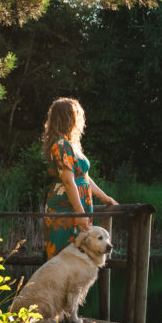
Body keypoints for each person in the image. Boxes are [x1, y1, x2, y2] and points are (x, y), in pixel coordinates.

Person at [41, 97, 117, 259]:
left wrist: (105, 197)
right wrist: (79, 213)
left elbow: (84, 177)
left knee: (82, 258)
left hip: (78, 205)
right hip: (67, 207)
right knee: (64, 257)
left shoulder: (70, 145)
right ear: (70, 118)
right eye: (77, 116)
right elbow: (68, 181)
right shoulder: (61, 145)